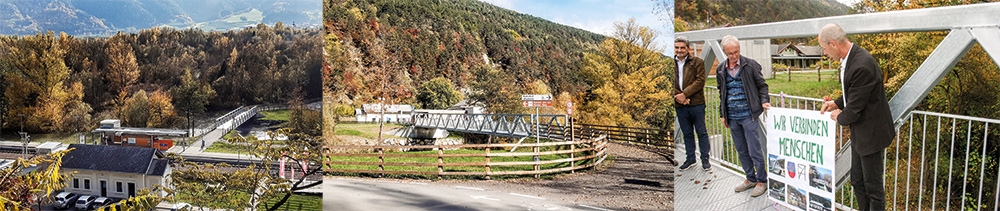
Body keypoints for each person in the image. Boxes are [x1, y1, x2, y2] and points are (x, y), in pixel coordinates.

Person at [818, 23, 895, 211]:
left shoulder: (861, 64)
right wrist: (836, 103)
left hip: (872, 135)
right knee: (857, 181)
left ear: (833, 43)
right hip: (861, 133)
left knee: (873, 188)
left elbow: (853, 110)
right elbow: (854, 93)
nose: (825, 54)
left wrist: (838, 116)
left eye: (825, 49)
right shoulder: (851, 59)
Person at [716, 35, 770, 197]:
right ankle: (750, 178)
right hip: (732, 116)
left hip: (749, 115)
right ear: (725, 52)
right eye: (730, 53)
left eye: (736, 52)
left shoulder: (750, 65)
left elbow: (762, 86)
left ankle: (762, 180)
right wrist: (723, 114)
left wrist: (764, 101)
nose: (734, 56)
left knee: (754, 150)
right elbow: (722, 93)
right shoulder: (720, 69)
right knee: (741, 149)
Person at [673, 36, 711, 172]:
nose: (679, 50)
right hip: (680, 105)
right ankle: (690, 159)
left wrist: (685, 94)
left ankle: (705, 160)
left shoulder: (697, 62)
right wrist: (680, 97)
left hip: (696, 103)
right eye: (677, 47)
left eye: (682, 47)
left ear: (688, 48)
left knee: (701, 132)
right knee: (687, 133)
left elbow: (700, 81)